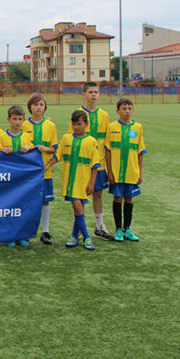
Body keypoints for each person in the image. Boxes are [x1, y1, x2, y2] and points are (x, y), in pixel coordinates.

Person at [44, 110, 102, 251]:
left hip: (84, 180)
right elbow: (58, 156)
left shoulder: (91, 141)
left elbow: (95, 165)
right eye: (74, 124)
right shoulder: (66, 138)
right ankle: (86, 237)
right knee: (77, 206)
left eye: (79, 124)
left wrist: (92, 183)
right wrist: (48, 165)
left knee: (79, 208)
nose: (76, 127)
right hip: (69, 180)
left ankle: (74, 235)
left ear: (86, 124)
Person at [71, 82, 114, 241]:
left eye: (96, 92)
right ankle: (78, 228)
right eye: (90, 92)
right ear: (84, 94)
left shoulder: (104, 115)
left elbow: (106, 140)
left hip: (99, 162)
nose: (94, 95)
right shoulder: (78, 113)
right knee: (80, 196)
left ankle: (99, 226)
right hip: (83, 163)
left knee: (98, 193)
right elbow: (73, 138)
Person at [104, 98, 146, 242]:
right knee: (117, 198)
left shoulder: (138, 127)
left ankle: (127, 229)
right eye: (124, 108)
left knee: (129, 198)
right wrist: (110, 172)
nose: (127, 111)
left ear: (133, 110)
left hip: (131, 172)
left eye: (129, 108)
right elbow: (107, 151)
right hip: (116, 172)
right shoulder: (111, 127)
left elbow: (140, 152)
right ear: (117, 111)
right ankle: (118, 229)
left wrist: (140, 172)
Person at [22, 93, 58, 244]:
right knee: (28, 201)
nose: (38, 107)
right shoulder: (24, 125)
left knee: (45, 201)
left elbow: (55, 148)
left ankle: (45, 231)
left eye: (41, 104)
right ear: (30, 107)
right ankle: (26, 231)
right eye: (35, 104)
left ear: (45, 107)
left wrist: (45, 149)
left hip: (45, 171)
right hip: (28, 172)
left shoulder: (50, 125)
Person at [0, 105, 34, 247]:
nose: (17, 122)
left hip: (23, 179)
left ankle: (21, 235)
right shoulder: (2, 136)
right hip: (8, 178)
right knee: (9, 206)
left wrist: (29, 147)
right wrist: (1, 149)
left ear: (24, 120)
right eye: (14, 119)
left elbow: (33, 152)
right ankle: (9, 236)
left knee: (22, 206)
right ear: (8, 119)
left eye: (20, 119)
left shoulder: (27, 137)